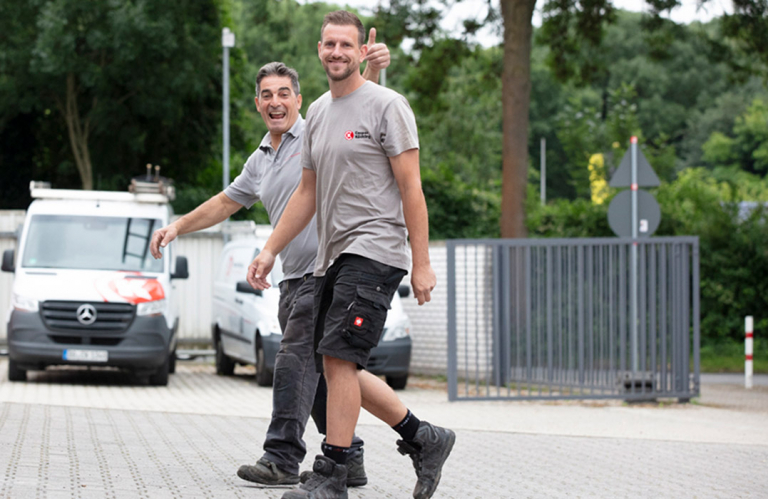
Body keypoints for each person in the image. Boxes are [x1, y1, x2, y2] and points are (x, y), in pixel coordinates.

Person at [148, 31, 390, 488]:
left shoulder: (319, 128)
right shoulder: (260, 158)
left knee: (293, 360)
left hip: (327, 271)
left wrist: (372, 68)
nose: (276, 102)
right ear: (258, 105)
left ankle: (281, 456)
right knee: (316, 373)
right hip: (292, 278)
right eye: (267, 96)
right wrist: (177, 226)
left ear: (299, 99)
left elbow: (355, 109)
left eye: (284, 93)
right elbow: (224, 203)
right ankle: (352, 456)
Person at [246, 10, 455, 499]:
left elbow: (412, 188)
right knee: (336, 363)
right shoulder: (316, 113)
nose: (336, 52)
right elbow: (306, 194)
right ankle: (424, 437)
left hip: (377, 250)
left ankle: (333, 473)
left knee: (338, 360)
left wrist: (421, 262)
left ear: (362, 51)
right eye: (328, 44)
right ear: (319, 50)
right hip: (332, 258)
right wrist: (270, 248)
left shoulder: (388, 106)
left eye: (346, 44)